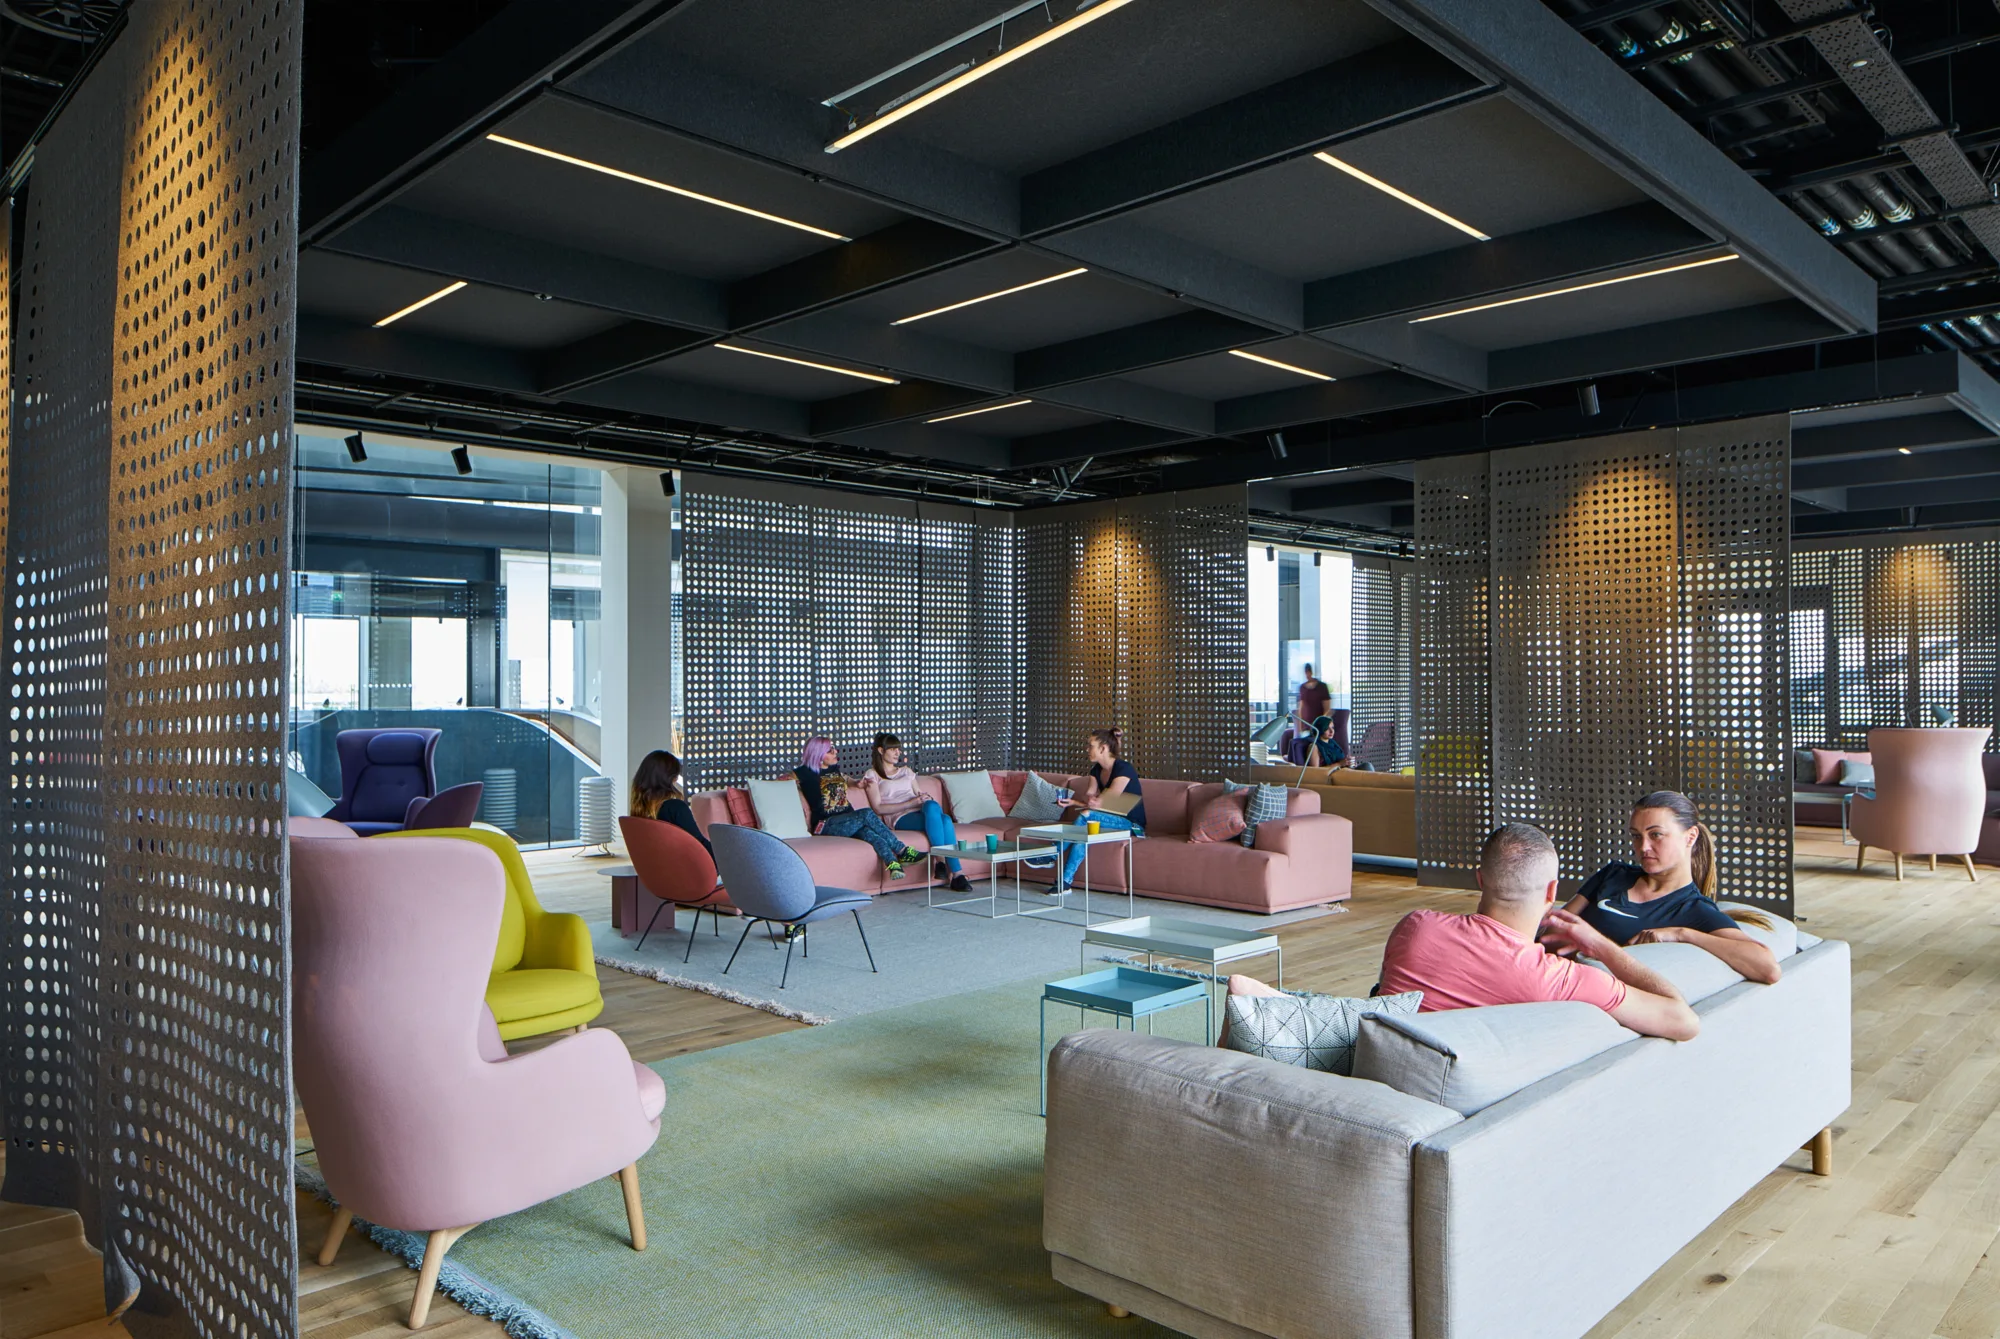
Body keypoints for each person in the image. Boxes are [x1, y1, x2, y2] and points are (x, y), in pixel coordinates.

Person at [1373, 823, 1700, 1039]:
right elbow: (1684, 1022)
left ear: (1481, 880)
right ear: (1551, 891)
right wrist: (1600, 945)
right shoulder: (1561, 980)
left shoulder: (1416, 926)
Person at [1558, 791, 1781, 985]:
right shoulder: (1614, 874)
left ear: (1690, 836)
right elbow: (1553, 929)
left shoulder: (1694, 910)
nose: (1643, 847)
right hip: (1549, 971)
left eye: (1656, 835)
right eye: (1636, 836)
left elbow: (1768, 969)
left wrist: (1682, 934)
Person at [1026, 727, 1146, 896]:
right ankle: (1064, 883)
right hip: (1105, 817)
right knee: (1082, 832)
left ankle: (1052, 854)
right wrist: (1074, 802)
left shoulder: (1124, 769)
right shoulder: (1096, 771)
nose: (1086, 749)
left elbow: (1106, 801)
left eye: (1090, 746)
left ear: (1103, 748)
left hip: (1133, 825)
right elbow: (1092, 799)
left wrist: (1093, 802)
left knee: (1085, 817)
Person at [855, 732, 973, 893]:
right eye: (893, 749)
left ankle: (943, 864)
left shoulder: (906, 771)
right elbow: (878, 808)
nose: (898, 753)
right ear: (881, 751)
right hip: (899, 817)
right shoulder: (872, 775)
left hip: (921, 810)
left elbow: (918, 793)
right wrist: (909, 803)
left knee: (932, 806)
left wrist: (924, 797)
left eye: (899, 749)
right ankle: (954, 871)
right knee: (945, 820)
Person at [793, 738, 924, 878]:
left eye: (834, 748)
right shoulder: (804, 772)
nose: (835, 752)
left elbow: (845, 778)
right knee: (866, 814)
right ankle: (902, 850)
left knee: (871, 834)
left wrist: (856, 783)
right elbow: (782, 781)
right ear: (818, 754)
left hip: (847, 820)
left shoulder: (833, 768)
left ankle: (893, 865)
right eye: (830, 751)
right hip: (826, 824)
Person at [629, 749, 711, 857]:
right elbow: (699, 844)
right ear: (670, 778)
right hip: (687, 867)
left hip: (658, 868)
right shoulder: (675, 808)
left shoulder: (639, 811)